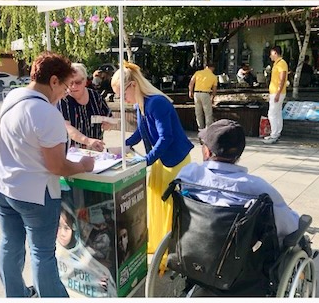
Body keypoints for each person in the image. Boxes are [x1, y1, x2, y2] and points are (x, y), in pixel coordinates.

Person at [0, 52, 95, 297]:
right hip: (35, 194)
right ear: (54, 81)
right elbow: (57, 166)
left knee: (10, 242)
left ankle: (15, 294)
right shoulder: (48, 115)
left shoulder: (13, 96)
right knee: (42, 254)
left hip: (1, 185)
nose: (66, 92)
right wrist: (83, 166)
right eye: (66, 86)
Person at [111, 62, 194, 256]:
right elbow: (141, 131)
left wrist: (144, 160)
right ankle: (157, 247)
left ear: (133, 85)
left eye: (122, 94)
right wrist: (125, 145)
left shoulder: (156, 102)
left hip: (173, 162)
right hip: (160, 161)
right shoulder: (141, 104)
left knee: (168, 207)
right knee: (155, 204)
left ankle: (169, 253)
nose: (122, 99)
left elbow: (166, 138)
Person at [177, 119, 300, 239]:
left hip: (191, 240)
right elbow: (289, 227)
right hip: (237, 252)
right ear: (239, 154)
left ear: (207, 152)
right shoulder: (258, 188)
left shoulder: (188, 173)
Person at [56, 204, 117, 297]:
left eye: (66, 228)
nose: (62, 234)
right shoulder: (54, 248)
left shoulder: (85, 246)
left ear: (73, 227)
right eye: (58, 227)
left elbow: (103, 265)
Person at [59, 63, 116, 151]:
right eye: (70, 83)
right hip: (71, 153)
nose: (74, 86)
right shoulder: (63, 99)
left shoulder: (95, 96)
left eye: (78, 82)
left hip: (96, 150)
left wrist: (108, 123)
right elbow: (67, 128)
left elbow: (110, 118)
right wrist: (88, 141)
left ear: (85, 81)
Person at [265, 46, 288, 144]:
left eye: (271, 54)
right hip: (276, 92)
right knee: (277, 113)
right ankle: (277, 133)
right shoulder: (277, 63)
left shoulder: (281, 63)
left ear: (275, 53)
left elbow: (282, 79)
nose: (270, 56)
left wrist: (278, 92)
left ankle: (274, 134)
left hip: (277, 92)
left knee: (272, 114)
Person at [188, 60, 217, 130]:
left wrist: (190, 91)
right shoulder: (213, 76)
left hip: (196, 94)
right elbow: (214, 89)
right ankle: (208, 128)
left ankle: (200, 128)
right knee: (208, 112)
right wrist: (213, 97)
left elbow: (191, 83)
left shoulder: (198, 73)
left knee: (198, 112)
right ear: (213, 68)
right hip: (206, 94)